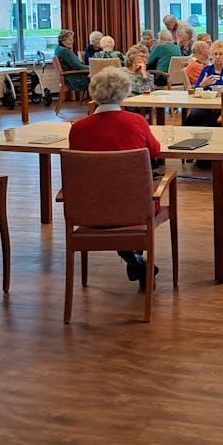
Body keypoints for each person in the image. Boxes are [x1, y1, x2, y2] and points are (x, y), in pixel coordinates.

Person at [68, 67, 161, 289]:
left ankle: (134, 258)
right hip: (135, 206)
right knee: (132, 197)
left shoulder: (78, 128)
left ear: (93, 92)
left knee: (108, 197)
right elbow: (155, 151)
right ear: (124, 92)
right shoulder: (136, 121)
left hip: (89, 207)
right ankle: (134, 256)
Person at [185, 40, 223, 131]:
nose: (218, 57)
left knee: (215, 120)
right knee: (192, 118)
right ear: (212, 55)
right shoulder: (206, 70)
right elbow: (195, 92)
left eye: (221, 54)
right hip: (206, 107)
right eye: (215, 54)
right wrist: (203, 84)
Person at [53, 29, 90, 95]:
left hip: (69, 78)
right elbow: (78, 67)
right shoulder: (64, 51)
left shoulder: (58, 49)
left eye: (72, 39)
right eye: (70, 40)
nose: (72, 42)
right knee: (100, 78)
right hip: (74, 80)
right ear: (63, 41)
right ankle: (100, 100)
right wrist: (92, 68)